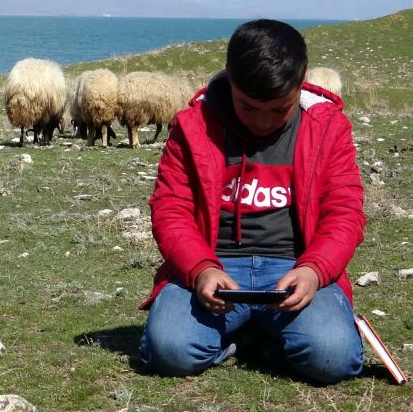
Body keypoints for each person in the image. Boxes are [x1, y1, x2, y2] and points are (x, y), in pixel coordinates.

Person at [139, 19, 365, 383]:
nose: (262, 122)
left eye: (279, 109)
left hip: (295, 268)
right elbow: (171, 210)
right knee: (171, 351)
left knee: (333, 358)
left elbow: (344, 213)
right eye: (248, 107)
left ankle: (254, 339)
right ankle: (255, 337)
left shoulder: (328, 126)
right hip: (216, 269)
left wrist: (314, 270)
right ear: (230, 78)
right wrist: (201, 270)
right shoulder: (194, 126)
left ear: (301, 80)